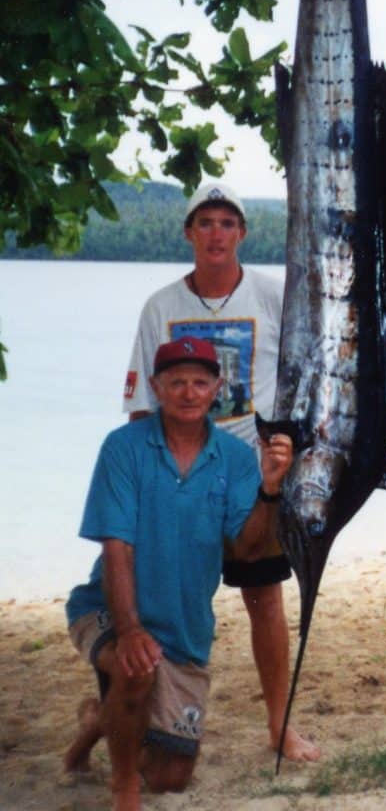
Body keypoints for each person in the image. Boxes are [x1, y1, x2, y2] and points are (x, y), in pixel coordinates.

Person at [122, 182, 320, 762]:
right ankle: (156, 718)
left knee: (266, 599)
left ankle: (279, 724)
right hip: (183, 474)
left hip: (254, 477)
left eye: (226, 223)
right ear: (189, 233)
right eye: (204, 223)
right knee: (169, 604)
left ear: (242, 233)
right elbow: (140, 406)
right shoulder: (162, 307)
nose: (215, 233)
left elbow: (305, 378)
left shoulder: (272, 296)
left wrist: (289, 454)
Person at [64, 337, 294, 810]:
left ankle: (97, 722)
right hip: (105, 608)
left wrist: (270, 489)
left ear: (217, 389)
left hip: (185, 630)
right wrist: (128, 630)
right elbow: (116, 548)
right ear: (155, 387)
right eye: (176, 382)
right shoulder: (122, 448)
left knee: (171, 778)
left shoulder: (233, 457)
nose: (188, 393)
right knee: (135, 667)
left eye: (199, 382)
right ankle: (123, 790)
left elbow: (249, 548)